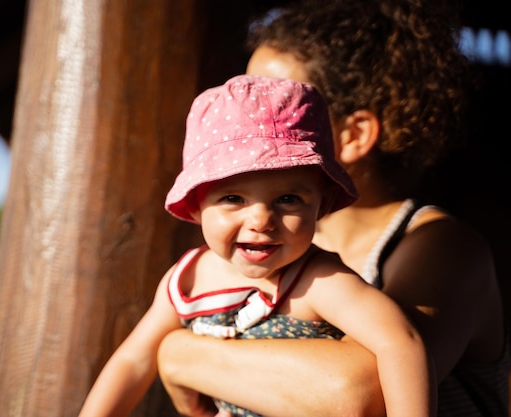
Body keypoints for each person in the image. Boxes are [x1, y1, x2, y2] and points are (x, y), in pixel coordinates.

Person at [156, 1, 510, 416]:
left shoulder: (444, 248)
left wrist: (179, 354)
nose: (244, 120)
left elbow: (360, 394)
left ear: (353, 135)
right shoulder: (268, 245)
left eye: (275, 103)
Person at [77, 74, 433, 417]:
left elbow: (401, 342)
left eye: (288, 199)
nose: (261, 220)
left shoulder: (319, 280)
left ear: (321, 205)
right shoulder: (187, 280)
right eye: (233, 197)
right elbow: (133, 360)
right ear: (197, 206)